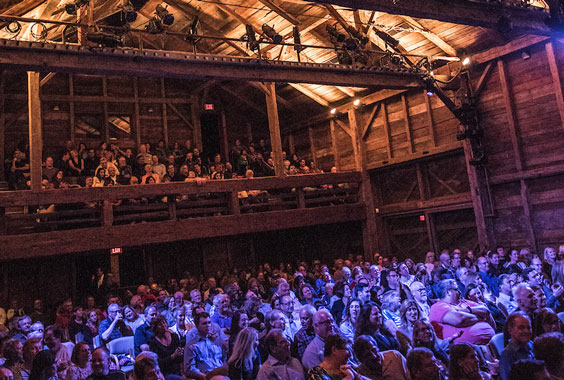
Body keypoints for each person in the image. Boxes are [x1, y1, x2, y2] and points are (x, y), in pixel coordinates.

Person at [429, 279, 494, 345]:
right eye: (456, 289)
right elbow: (460, 320)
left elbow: (485, 310)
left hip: (490, 343)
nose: (460, 291)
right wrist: (480, 317)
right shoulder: (438, 306)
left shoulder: (464, 302)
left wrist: (467, 310)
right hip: (467, 348)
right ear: (448, 292)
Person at [183, 312, 224, 380]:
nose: (208, 325)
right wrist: (205, 377)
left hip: (221, 374)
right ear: (197, 326)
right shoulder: (192, 346)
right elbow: (189, 369)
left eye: (209, 322)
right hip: (207, 376)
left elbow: (222, 360)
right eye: (204, 323)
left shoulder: (215, 341)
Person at [500, 312, 534, 380]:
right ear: (510, 330)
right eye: (521, 328)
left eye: (528, 328)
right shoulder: (508, 354)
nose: (526, 331)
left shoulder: (532, 345)